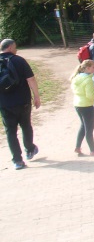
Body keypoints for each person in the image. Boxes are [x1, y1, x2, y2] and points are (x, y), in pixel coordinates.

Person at [0, 38, 41, 170]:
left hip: (5, 103)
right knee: (26, 126)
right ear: (11, 47)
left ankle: (17, 160)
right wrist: (36, 96)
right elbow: (31, 79)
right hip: (22, 101)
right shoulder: (18, 60)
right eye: (15, 47)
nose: (16, 49)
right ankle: (29, 149)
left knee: (10, 132)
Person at [71, 59, 94, 156]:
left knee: (83, 126)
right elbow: (90, 95)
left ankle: (77, 147)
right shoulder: (88, 80)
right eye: (93, 67)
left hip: (78, 104)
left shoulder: (77, 77)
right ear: (88, 68)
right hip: (86, 106)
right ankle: (93, 150)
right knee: (89, 128)